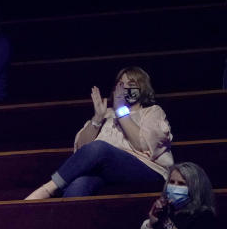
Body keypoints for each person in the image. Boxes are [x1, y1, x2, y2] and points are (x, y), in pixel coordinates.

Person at [26, 67, 173, 199]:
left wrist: (121, 111)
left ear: (143, 88)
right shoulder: (108, 114)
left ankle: (48, 189)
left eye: (132, 84)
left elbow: (144, 145)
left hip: (146, 168)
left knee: (100, 147)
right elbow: (82, 151)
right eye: (121, 84)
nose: (125, 88)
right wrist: (97, 118)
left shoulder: (152, 112)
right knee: (79, 184)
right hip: (107, 170)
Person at [141, 162, 217, 229]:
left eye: (181, 183)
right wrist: (151, 223)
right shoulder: (167, 208)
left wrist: (165, 221)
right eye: (171, 182)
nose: (174, 187)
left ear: (195, 188)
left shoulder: (204, 216)